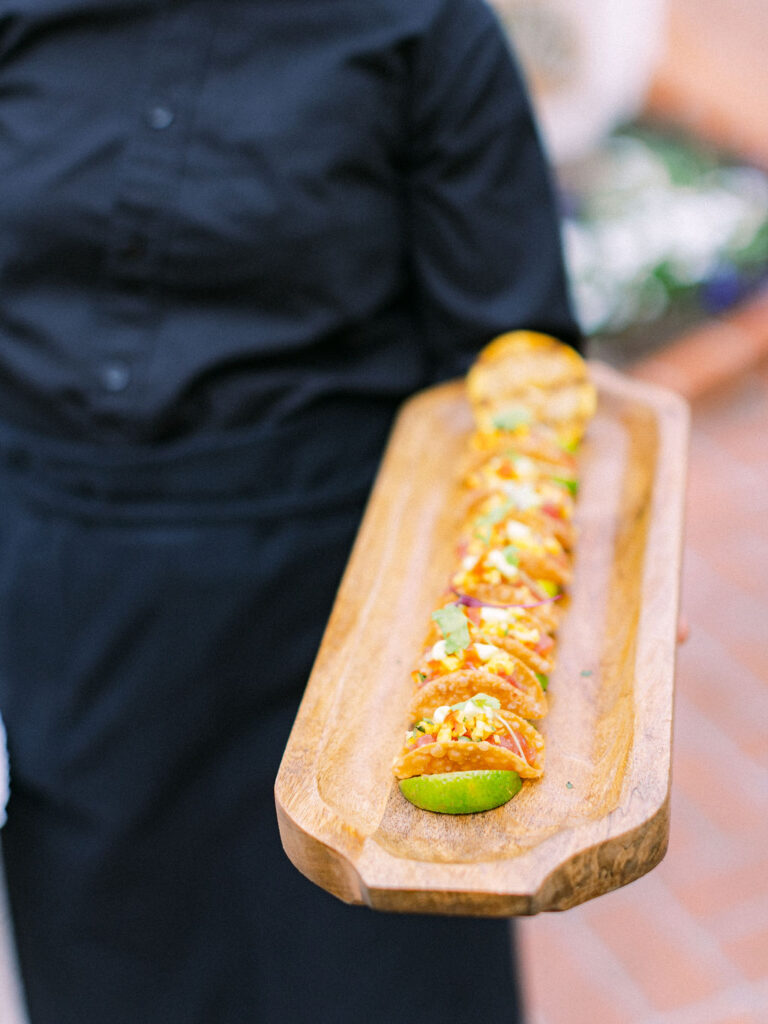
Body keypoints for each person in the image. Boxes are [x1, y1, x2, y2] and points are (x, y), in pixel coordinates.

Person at [0, 1, 581, 1021]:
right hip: (67, 633)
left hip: (350, 624)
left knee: (384, 989)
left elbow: (515, 366)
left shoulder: (423, 25)